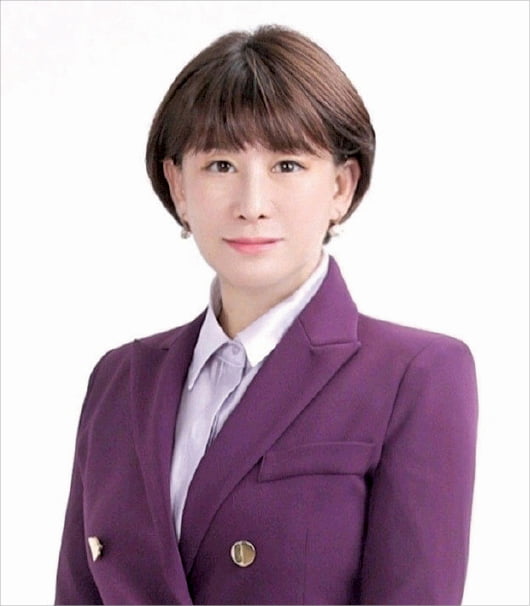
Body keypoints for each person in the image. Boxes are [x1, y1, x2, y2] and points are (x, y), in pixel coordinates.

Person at [55, 24, 478, 606]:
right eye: (220, 165)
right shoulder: (119, 380)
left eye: (287, 165)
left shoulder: (415, 374)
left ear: (341, 186)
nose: (252, 205)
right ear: (178, 186)